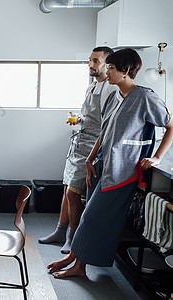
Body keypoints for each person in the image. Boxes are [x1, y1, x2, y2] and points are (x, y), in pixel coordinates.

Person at [48, 48, 173, 278]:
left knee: (93, 217)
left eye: (111, 67)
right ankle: (74, 259)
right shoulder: (116, 96)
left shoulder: (145, 97)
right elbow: (104, 131)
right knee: (88, 214)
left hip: (122, 169)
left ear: (126, 70)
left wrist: (157, 157)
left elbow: (170, 126)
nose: (107, 70)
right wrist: (89, 158)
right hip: (100, 164)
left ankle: (78, 265)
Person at [39, 47, 119, 254]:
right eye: (89, 60)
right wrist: (79, 119)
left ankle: (71, 238)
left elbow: (106, 126)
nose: (90, 65)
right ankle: (59, 231)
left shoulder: (110, 89)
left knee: (74, 194)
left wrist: (93, 156)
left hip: (91, 148)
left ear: (107, 64)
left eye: (95, 61)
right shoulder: (92, 86)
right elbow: (92, 117)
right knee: (66, 189)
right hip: (79, 143)